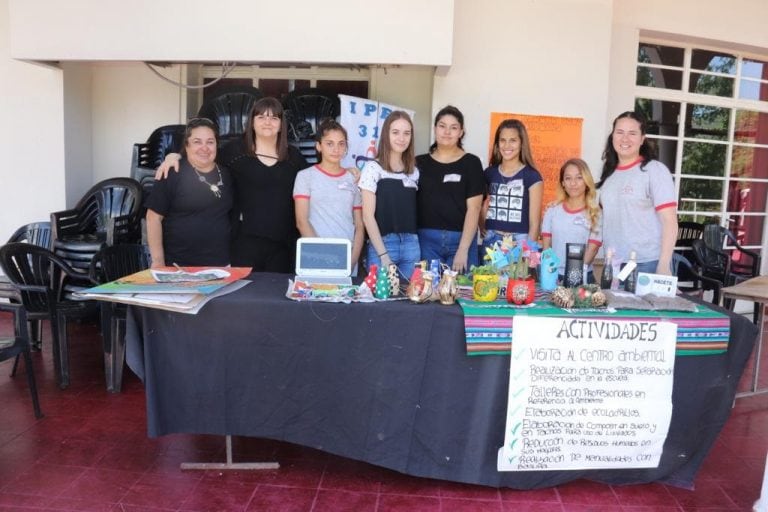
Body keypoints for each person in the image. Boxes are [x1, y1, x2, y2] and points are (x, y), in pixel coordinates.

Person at [156, 97, 308, 272]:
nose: (268, 122)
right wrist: (174, 156)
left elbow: (314, 181)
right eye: (261, 117)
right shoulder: (235, 152)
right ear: (251, 122)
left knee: (276, 295)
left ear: (281, 124)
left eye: (274, 118)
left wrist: (346, 172)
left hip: (284, 245)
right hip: (243, 244)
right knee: (243, 296)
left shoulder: (294, 157)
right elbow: (202, 156)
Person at [145, 117, 234, 268]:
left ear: (217, 145)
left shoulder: (226, 174)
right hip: (179, 266)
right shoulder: (172, 172)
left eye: (210, 142)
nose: (204, 148)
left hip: (221, 266)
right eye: (197, 142)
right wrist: (158, 262)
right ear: (186, 146)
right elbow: (153, 218)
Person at [597, 111, 677, 275]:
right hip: (613, 264)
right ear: (612, 136)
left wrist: (663, 265)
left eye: (632, 133)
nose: (625, 139)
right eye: (619, 132)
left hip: (647, 265)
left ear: (642, 139)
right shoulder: (609, 175)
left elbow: (670, 221)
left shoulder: (654, 171)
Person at [416, 105, 484, 273]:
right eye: (442, 126)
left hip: (461, 241)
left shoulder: (472, 163)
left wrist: (463, 249)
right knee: (428, 294)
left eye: (453, 128)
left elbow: (474, 208)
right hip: (426, 241)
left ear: (461, 132)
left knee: (461, 294)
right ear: (434, 128)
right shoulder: (418, 163)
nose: (447, 132)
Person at [293, 119, 364, 269]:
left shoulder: (353, 178)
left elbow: (359, 224)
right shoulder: (305, 176)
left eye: (341, 143)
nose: (336, 149)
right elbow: (301, 221)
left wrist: (352, 260)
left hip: (347, 258)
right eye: (329, 143)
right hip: (315, 258)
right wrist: (324, 257)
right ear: (319, 146)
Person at [358, 111, 420, 278]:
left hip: (411, 245)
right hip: (383, 245)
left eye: (407, 133)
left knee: (410, 299)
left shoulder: (414, 171)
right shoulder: (373, 168)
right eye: (395, 132)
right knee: (381, 301)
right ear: (386, 134)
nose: (401, 138)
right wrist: (383, 255)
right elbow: (367, 217)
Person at [481, 119, 543, 251]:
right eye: (502, 140)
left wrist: (528, 251)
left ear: (522, 143)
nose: (507, 145)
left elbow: (535, 223)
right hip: (492, 239)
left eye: (513, 140)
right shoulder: (489, 173)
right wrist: (482, 227)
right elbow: (480, 204)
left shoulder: (532, 176)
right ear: (497, 144)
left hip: (520, 241)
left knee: (519, 273)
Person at [541, 158, 602, 282]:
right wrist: (549, 273)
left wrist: (575, 275)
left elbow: (593, 249)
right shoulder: (552, 211)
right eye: (568, 178)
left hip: (583, 276)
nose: (573, 183)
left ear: (586, 181)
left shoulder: (596, 213)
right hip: (554, 277)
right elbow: (546, 247)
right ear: (563, 183)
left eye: (579, 178)